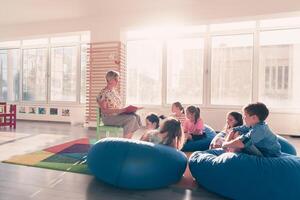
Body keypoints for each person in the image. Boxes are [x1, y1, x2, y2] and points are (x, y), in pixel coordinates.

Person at [96, 70, 142, 139]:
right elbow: (105, 111)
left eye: (118, 79)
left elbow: (118, 106)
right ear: (110, 80)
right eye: (116, 79)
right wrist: (120, 110)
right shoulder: (103, 93)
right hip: (109, 118)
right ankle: (125, 142)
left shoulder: (114, 92)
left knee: (136, 116)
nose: (118, 81)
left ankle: (128, 139)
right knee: (131, 119)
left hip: (117, 115)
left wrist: (126, 110)